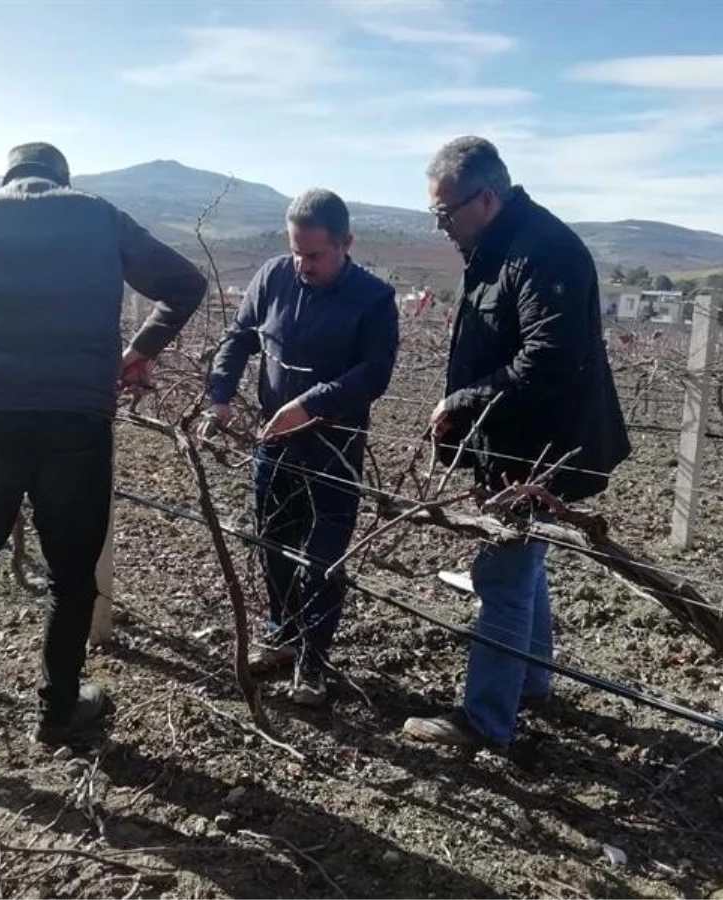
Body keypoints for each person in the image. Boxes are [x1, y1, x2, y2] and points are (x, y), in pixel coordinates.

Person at [0, 142, 207, 765]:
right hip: (75, 422)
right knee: (71, 579)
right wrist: (140, 349)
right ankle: (57, 714)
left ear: (8, 178)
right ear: (62, 178)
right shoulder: (98, 214)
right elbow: (184, 283)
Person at [402, 136, 630, 752]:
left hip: (537, 451)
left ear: (488, 198)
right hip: (512, 445)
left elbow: (548, 360)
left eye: (445, 212)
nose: (441, 225)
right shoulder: (499, 244)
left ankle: (485, 720)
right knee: (524, 561)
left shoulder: (543, 251)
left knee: (502, 571)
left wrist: (461, 402)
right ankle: (530, 681)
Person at [202, 189, 399, 705]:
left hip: (335, 447)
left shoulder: (374, 299)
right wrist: (220, 394)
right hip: (275, 442)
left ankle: (314, 660)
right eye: (296, 251)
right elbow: (240, 335)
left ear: (346, 243)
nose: (302, 264)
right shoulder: (272, 277)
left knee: (323, 557)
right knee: (271, 541)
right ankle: (282, 635)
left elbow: (373, 374)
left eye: (315, 255)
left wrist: (312, 404)